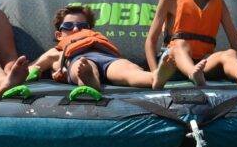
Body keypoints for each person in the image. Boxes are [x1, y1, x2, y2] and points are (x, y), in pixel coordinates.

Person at [29, 5, 177, 90]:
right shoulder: (55, 52)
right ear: (59, 35)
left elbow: (117, 61)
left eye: (82, 26)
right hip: (77, 59)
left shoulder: (96, 40)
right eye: (68, 26)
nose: (75, 30)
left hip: (108, 59)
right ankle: (89, 80)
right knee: (83, 66)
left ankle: (154, 77)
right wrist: (30, 72)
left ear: (91, 30)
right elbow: (34, 68)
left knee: (127, 69)